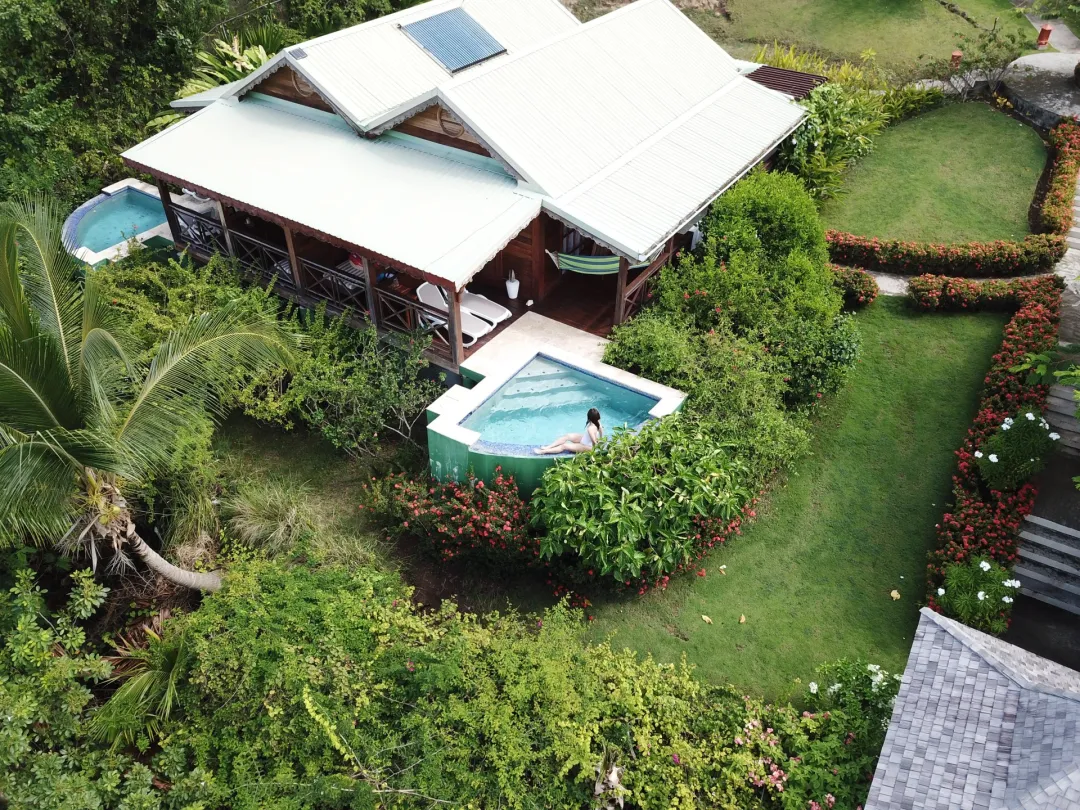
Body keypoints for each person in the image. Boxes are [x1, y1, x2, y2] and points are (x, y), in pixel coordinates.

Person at [535, 408, 602, 455]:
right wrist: (600, 442)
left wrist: (593, 452)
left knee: (564, 446)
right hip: (586, 440)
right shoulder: (599, 423)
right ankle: (548, 447)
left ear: (589, 417)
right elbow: (601, 436)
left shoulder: (590, 428)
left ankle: (543, 451)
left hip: (587, 446)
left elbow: (594, 442)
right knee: (567, 436)